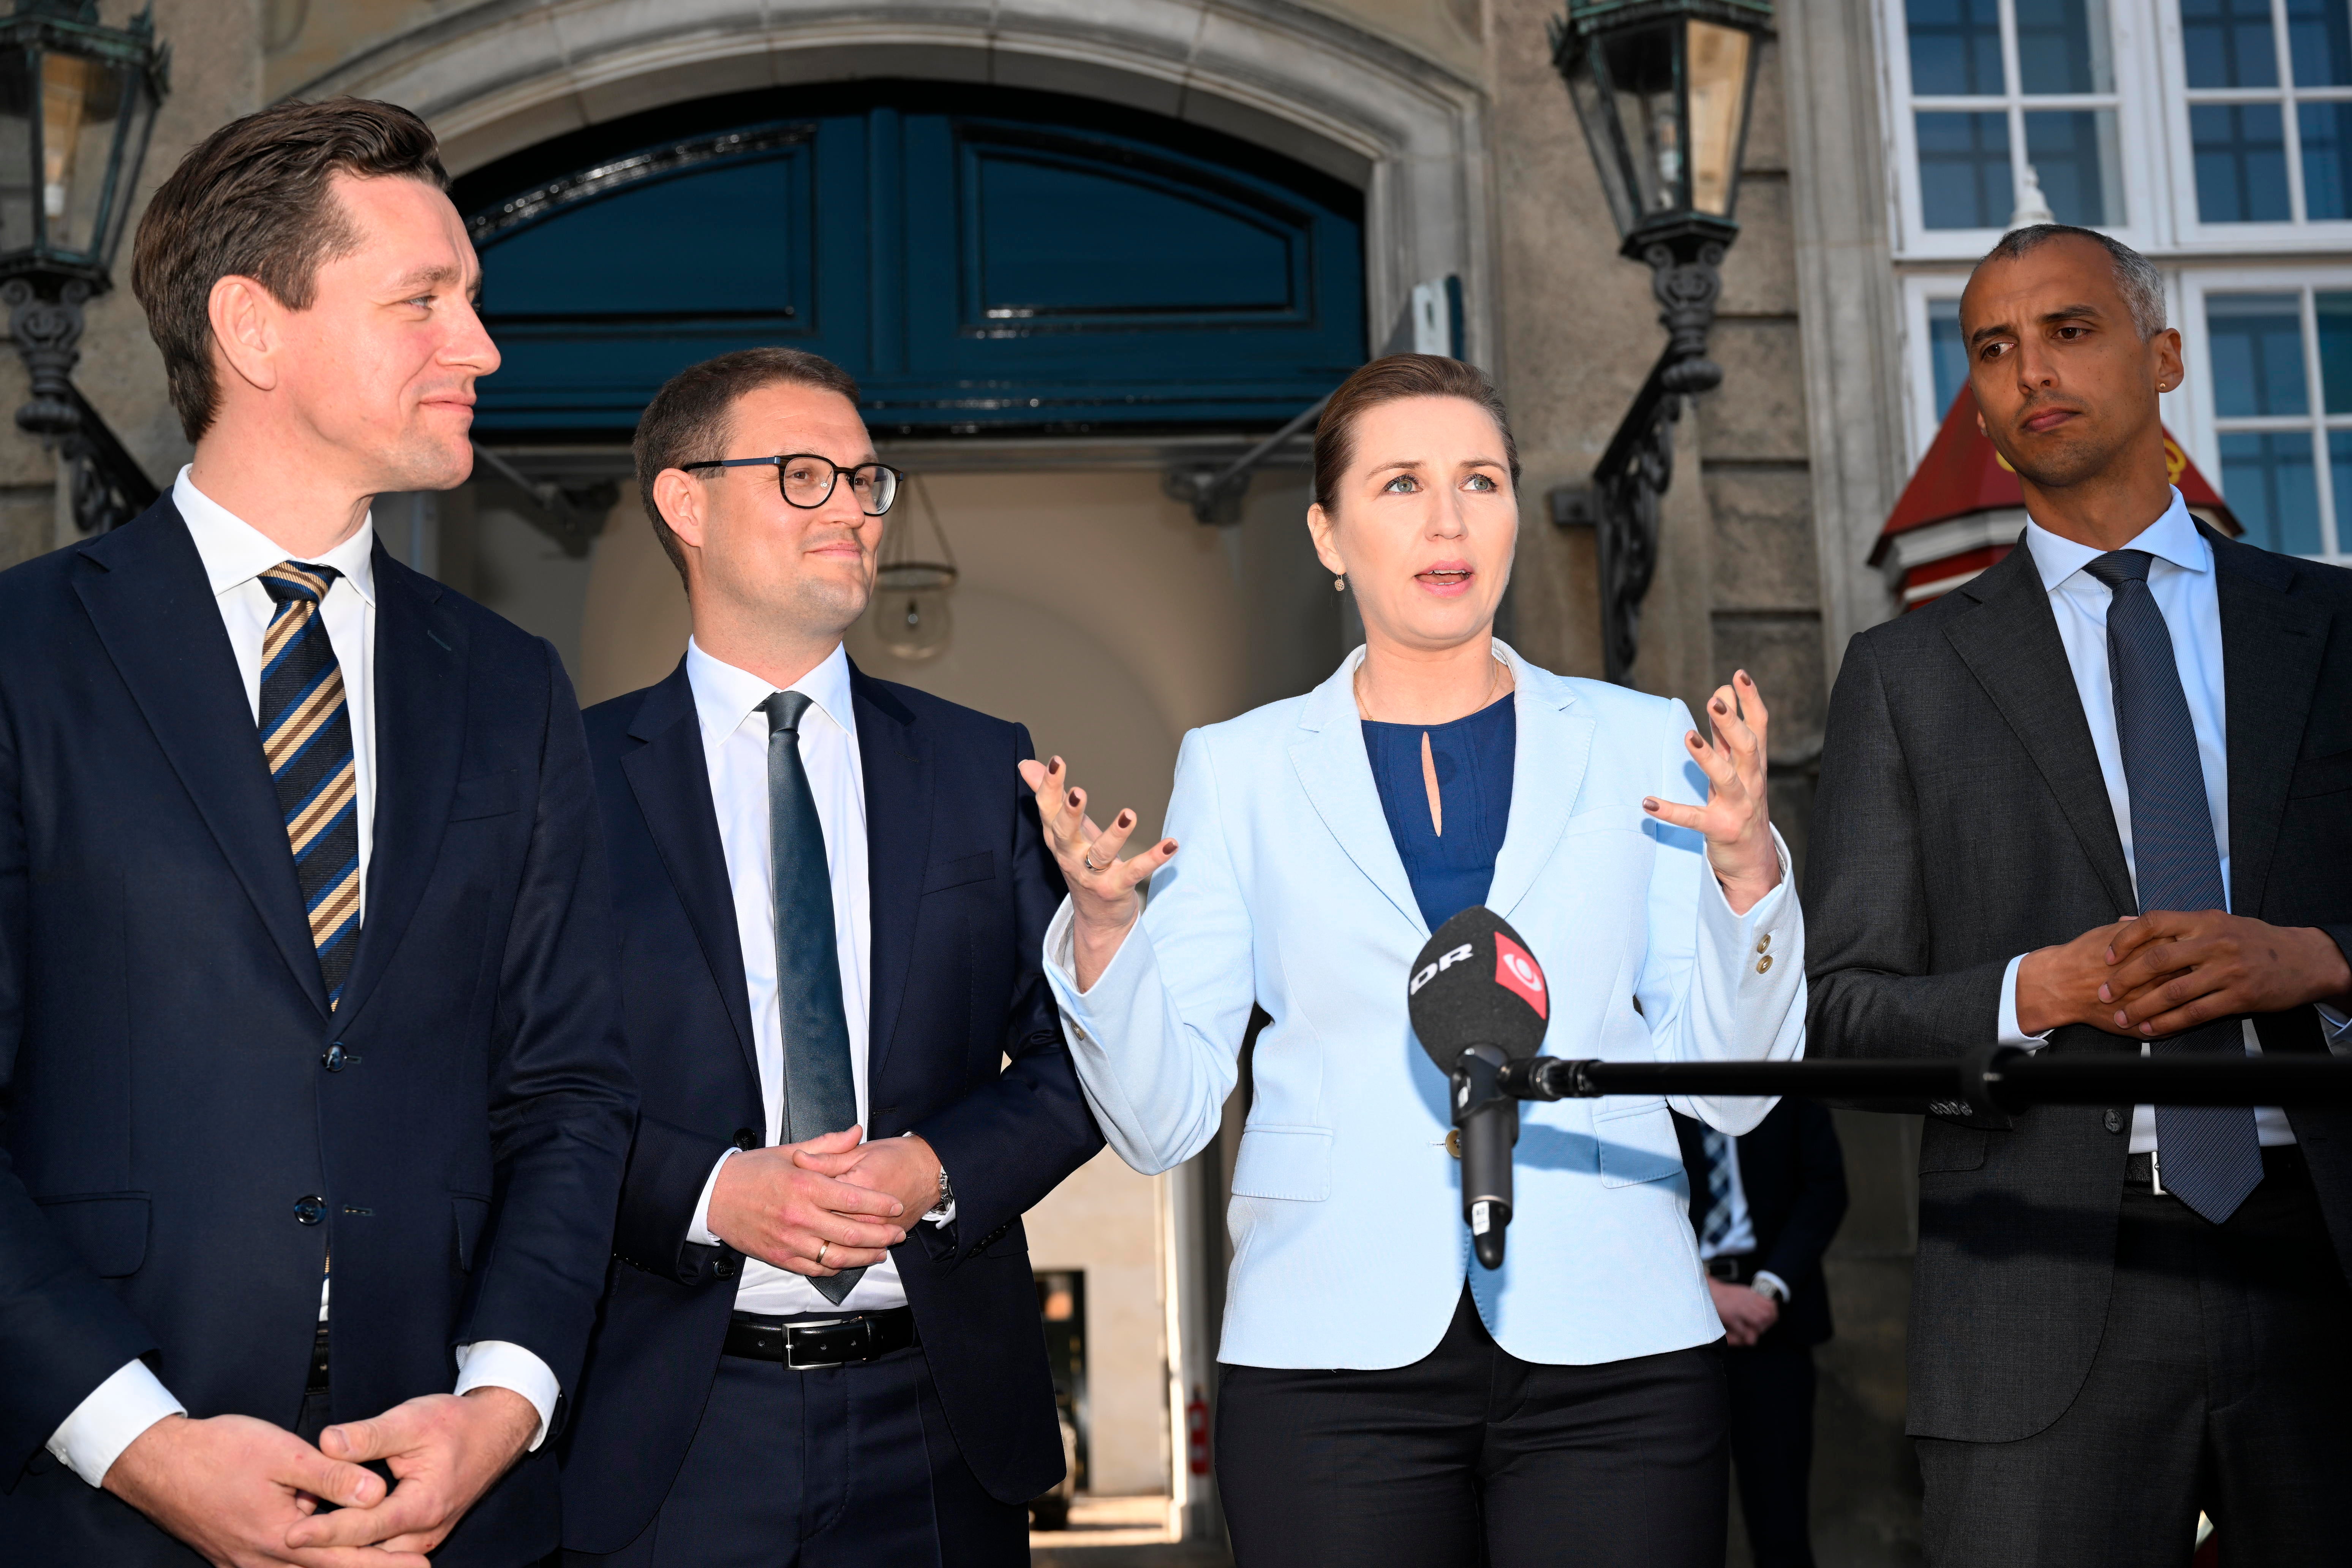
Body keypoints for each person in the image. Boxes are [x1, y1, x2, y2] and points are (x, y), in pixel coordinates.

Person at [1027, 352, 1806, 1567]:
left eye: (1480, 480)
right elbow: (1160, 1119)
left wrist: (1748, 874)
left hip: (1615, 1347)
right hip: (1329, 1355)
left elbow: (1737, 1086)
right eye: (1401, 484)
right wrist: (1105, 934)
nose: (1448, 519)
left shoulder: (1639, 740)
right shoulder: (1239, 767)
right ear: (1328, 535)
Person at [0, 100, 638, 1567]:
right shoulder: (24, 659)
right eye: (423, 300)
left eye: (468, 303)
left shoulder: (511, 684)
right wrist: (139, 1443)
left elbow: (569, 1092)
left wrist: (504, 1398)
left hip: (453, 1505)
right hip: (97, 1500)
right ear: (253, 327)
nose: (478, 347)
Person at [1805, 224, 2352, 1565]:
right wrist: (2027, 994)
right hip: (2039, 1281)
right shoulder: (1905, 675)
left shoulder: (2333, 630)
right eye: (1991, 348)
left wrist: (2319, 961)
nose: (2028, 370)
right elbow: (1841, 1016)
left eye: (2069, 329)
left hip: (2325, 1256)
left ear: (2161, 356)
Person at [556, 348, 1103, 1567]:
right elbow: (514, 1083)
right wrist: (708, 1192)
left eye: (865, 479)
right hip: (670, 1427)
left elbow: (1081, 1061)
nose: (853, 507)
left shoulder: (983, 769)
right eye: (805, 476)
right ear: (684, 502)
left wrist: (937, 1165)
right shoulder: (567, 781)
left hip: (940, 1425)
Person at [1672, 1100, 1847, 1568]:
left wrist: (1768, 1291)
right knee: (1665, 1523)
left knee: (1781, 1526)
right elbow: (1628, 1202)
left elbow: (1826, 1186)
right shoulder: (1646, 1077)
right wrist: (1706, 1291)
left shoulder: (1784, 1069)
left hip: (1774, 1321)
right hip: (1672, 1324)